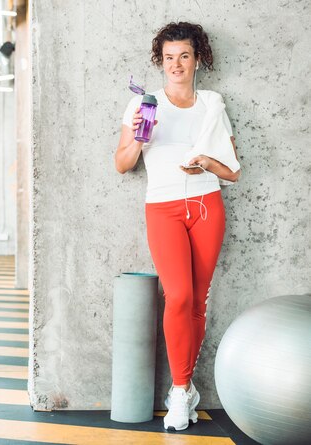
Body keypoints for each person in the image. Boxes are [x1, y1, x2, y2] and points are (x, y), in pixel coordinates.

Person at [114, 22, 241, 431]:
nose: (176, 64)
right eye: (169, 58)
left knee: (199, 300)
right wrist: (139, 138)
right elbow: (121, 163)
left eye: (184, 56)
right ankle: (182, 389)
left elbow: (233, 172)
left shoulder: (211, 105)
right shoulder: (143, 105)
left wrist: (205, 161)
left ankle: (181, 391)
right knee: (180, 297)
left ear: (197, 58)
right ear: (160, 61)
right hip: (163, 208)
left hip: (207, 205)